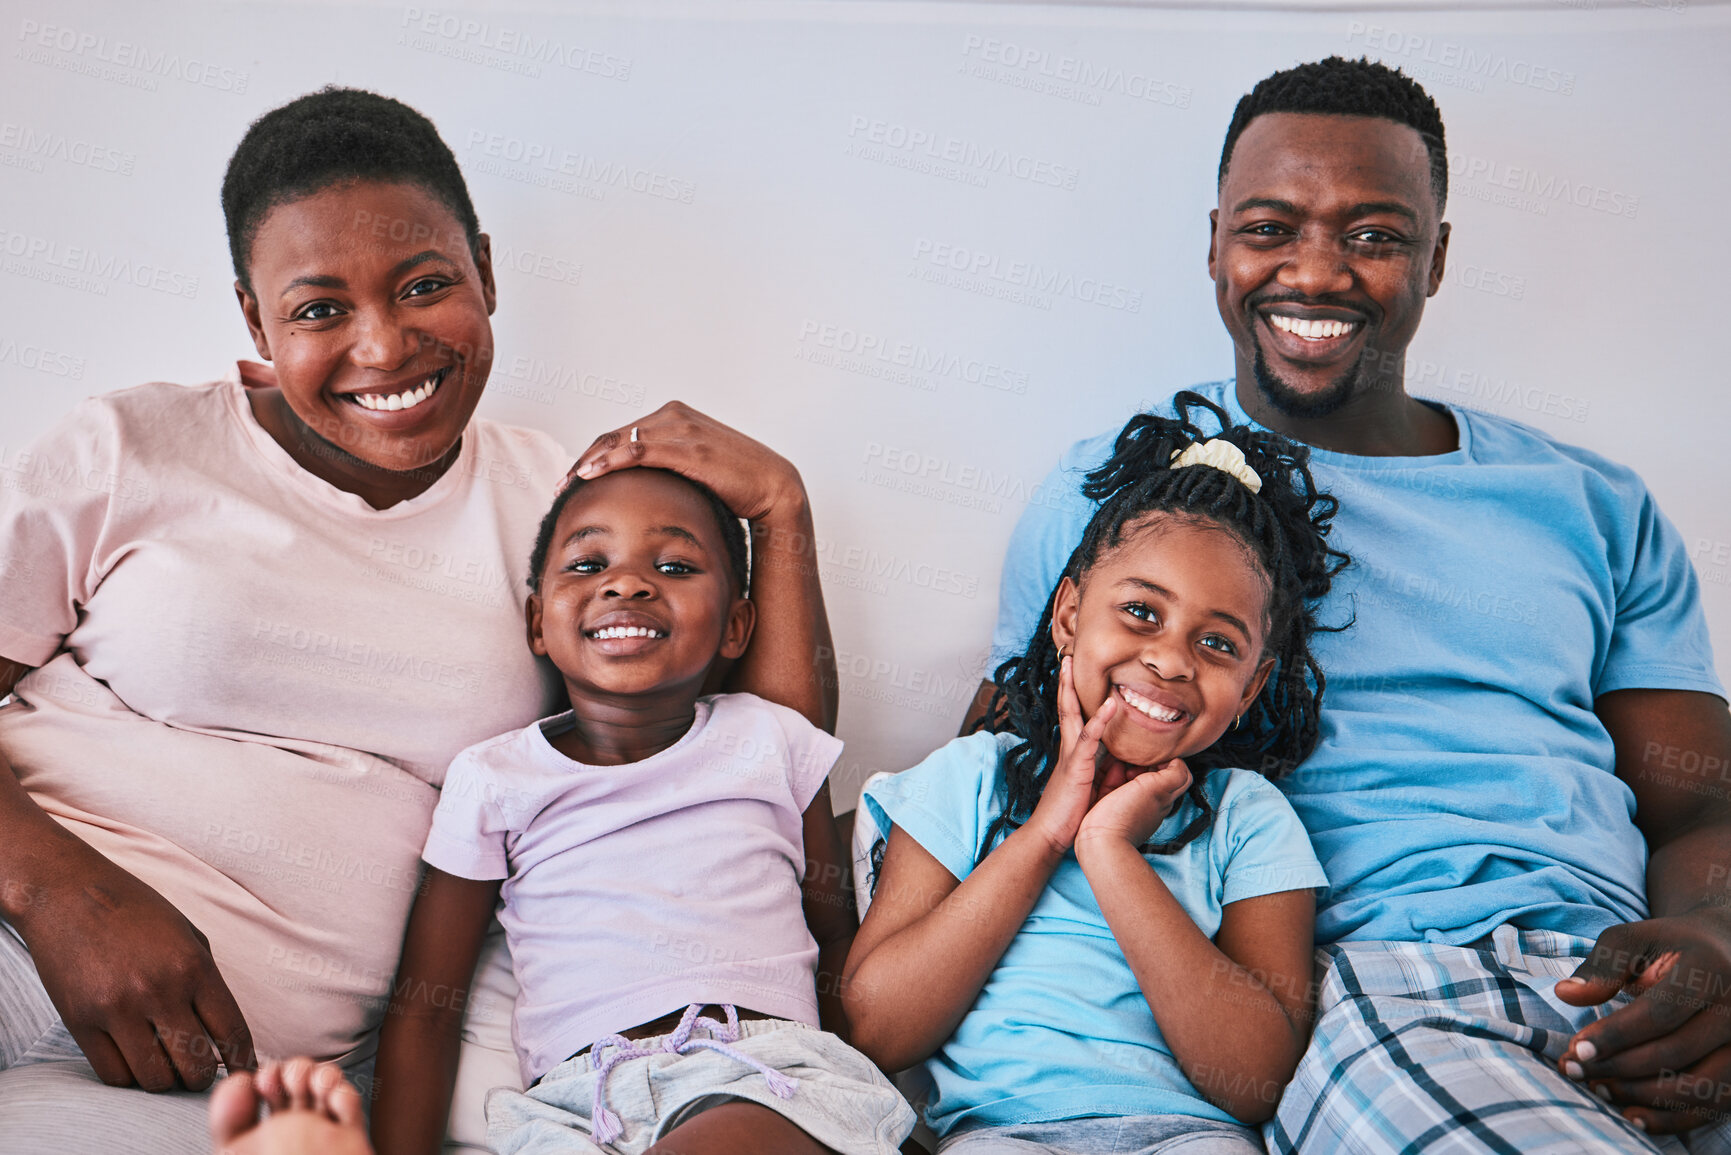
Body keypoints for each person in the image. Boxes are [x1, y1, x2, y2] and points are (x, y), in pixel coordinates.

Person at [0, 87, 837, 1154]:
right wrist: (59, 893)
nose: (385, 346)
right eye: (318, 310)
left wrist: (784, 513)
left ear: (486, 271)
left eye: (425, 286)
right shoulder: (134, 445)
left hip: (231, 1083)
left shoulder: (567, 509)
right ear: (255, 322)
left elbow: (757, 763)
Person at [963, 57, 1731, 1152]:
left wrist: (1716, 938)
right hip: (1382, 986)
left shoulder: (1590, 502)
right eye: (1270, 228)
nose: (1314, 275)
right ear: (1216, 240)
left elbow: (1703, 805)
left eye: (1373, 236)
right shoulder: (1123, 496)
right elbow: (1001, 769)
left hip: (1633, 972)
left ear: (1439, 257)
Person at [369, 466, 915, 1155]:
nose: (626, 582)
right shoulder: (493, 777)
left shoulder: (770, 740)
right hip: (576, 1105)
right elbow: (424, 1005)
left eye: (675, 564)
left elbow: (833, 935)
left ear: (737, 624)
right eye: (589, 563)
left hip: (761, 1074)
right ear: (539, 621)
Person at [846, 402, 1342, 1154]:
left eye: (1216, 641)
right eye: (1141, 611)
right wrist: (1047, 832)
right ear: (1069, 614)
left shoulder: (1249, 818)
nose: (1172, 660)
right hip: (1000, 1135)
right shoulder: (968, 779)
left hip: (1192, 1136)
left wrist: (1109, 850)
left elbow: (1257, 1078)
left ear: (1250, 685)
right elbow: (877, 1028)